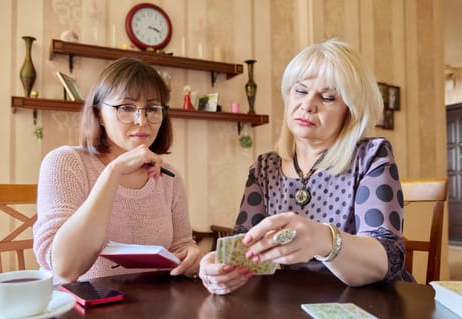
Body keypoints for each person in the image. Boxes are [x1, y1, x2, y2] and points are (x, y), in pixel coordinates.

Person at [199, 38, 409, 295]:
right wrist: (218, 268)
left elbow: (386, 258)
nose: (308, 104)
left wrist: (325, 240)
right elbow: (246, 249)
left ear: (350, 111)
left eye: (328, 97)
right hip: (287, 310)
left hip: (367, 306)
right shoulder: (265, 169)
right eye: (300, 91)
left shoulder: (371, 156)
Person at [33, 57, 203, 283]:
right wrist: (113, 172)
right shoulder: (65, 162)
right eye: (126, 107)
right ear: (99, 115)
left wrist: (192, 255)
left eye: (152, 109)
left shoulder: (168, 177)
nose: (141, 120)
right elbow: (65, 268)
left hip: (151, 309)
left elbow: (182, 246)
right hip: (79, 309)